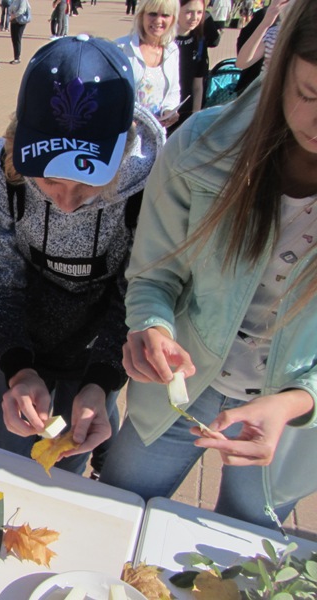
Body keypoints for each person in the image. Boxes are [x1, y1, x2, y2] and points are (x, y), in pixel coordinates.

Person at [99, 0, 317, 530]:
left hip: (287, 423)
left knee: (237, 550)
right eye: (309, 94)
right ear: (280, 64)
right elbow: (154, 275)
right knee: (116, 515)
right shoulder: (200, 147)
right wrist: (149, 326)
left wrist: (293, 402)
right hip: (182, 390)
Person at [0, 34, 164, 476]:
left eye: (87, 185)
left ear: (122, 152)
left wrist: (102, 381)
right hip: (21, 342)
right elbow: (1, 286)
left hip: (98, 344)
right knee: (5, 457)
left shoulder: (152, 183)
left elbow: (135, 292)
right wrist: (18, 371)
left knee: (70, 462)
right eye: (50, 182)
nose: (65, 202)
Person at [115, 0, 181, 129]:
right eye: (152, 14)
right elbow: (109, 92)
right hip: (124, 133)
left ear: (173, 19)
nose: (158, 21)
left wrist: (169, 111)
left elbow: (173, 91)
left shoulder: (172, 50)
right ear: (141, 15)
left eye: (165, 15)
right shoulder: (121, 48)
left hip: (155, 134)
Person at [170, 0, 207, 132]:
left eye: (199, 12)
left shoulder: (199, 41)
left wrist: (195, 116)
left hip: (185, 115)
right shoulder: (163, 40)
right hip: (163, 114)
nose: (195, 17)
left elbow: (198, 85)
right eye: (189, 12)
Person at [235, 0, 290, 74]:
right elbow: (241, 62)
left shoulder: (307, 38)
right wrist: (265, 23)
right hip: (263, 83)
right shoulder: (274, 32)